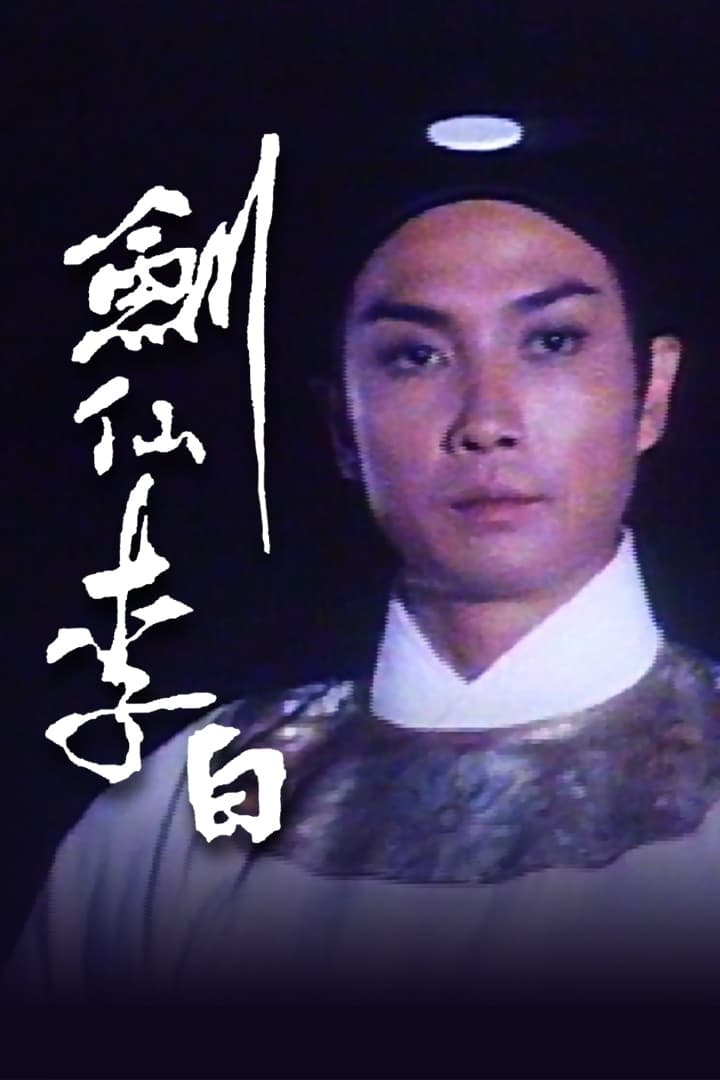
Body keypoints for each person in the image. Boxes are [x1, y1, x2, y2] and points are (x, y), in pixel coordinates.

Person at [7, 191, 720, 1008]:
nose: (487, 421)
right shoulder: (188, 806)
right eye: (415, 357)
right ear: (342, 424)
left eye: (552, 343)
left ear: (651, 393)